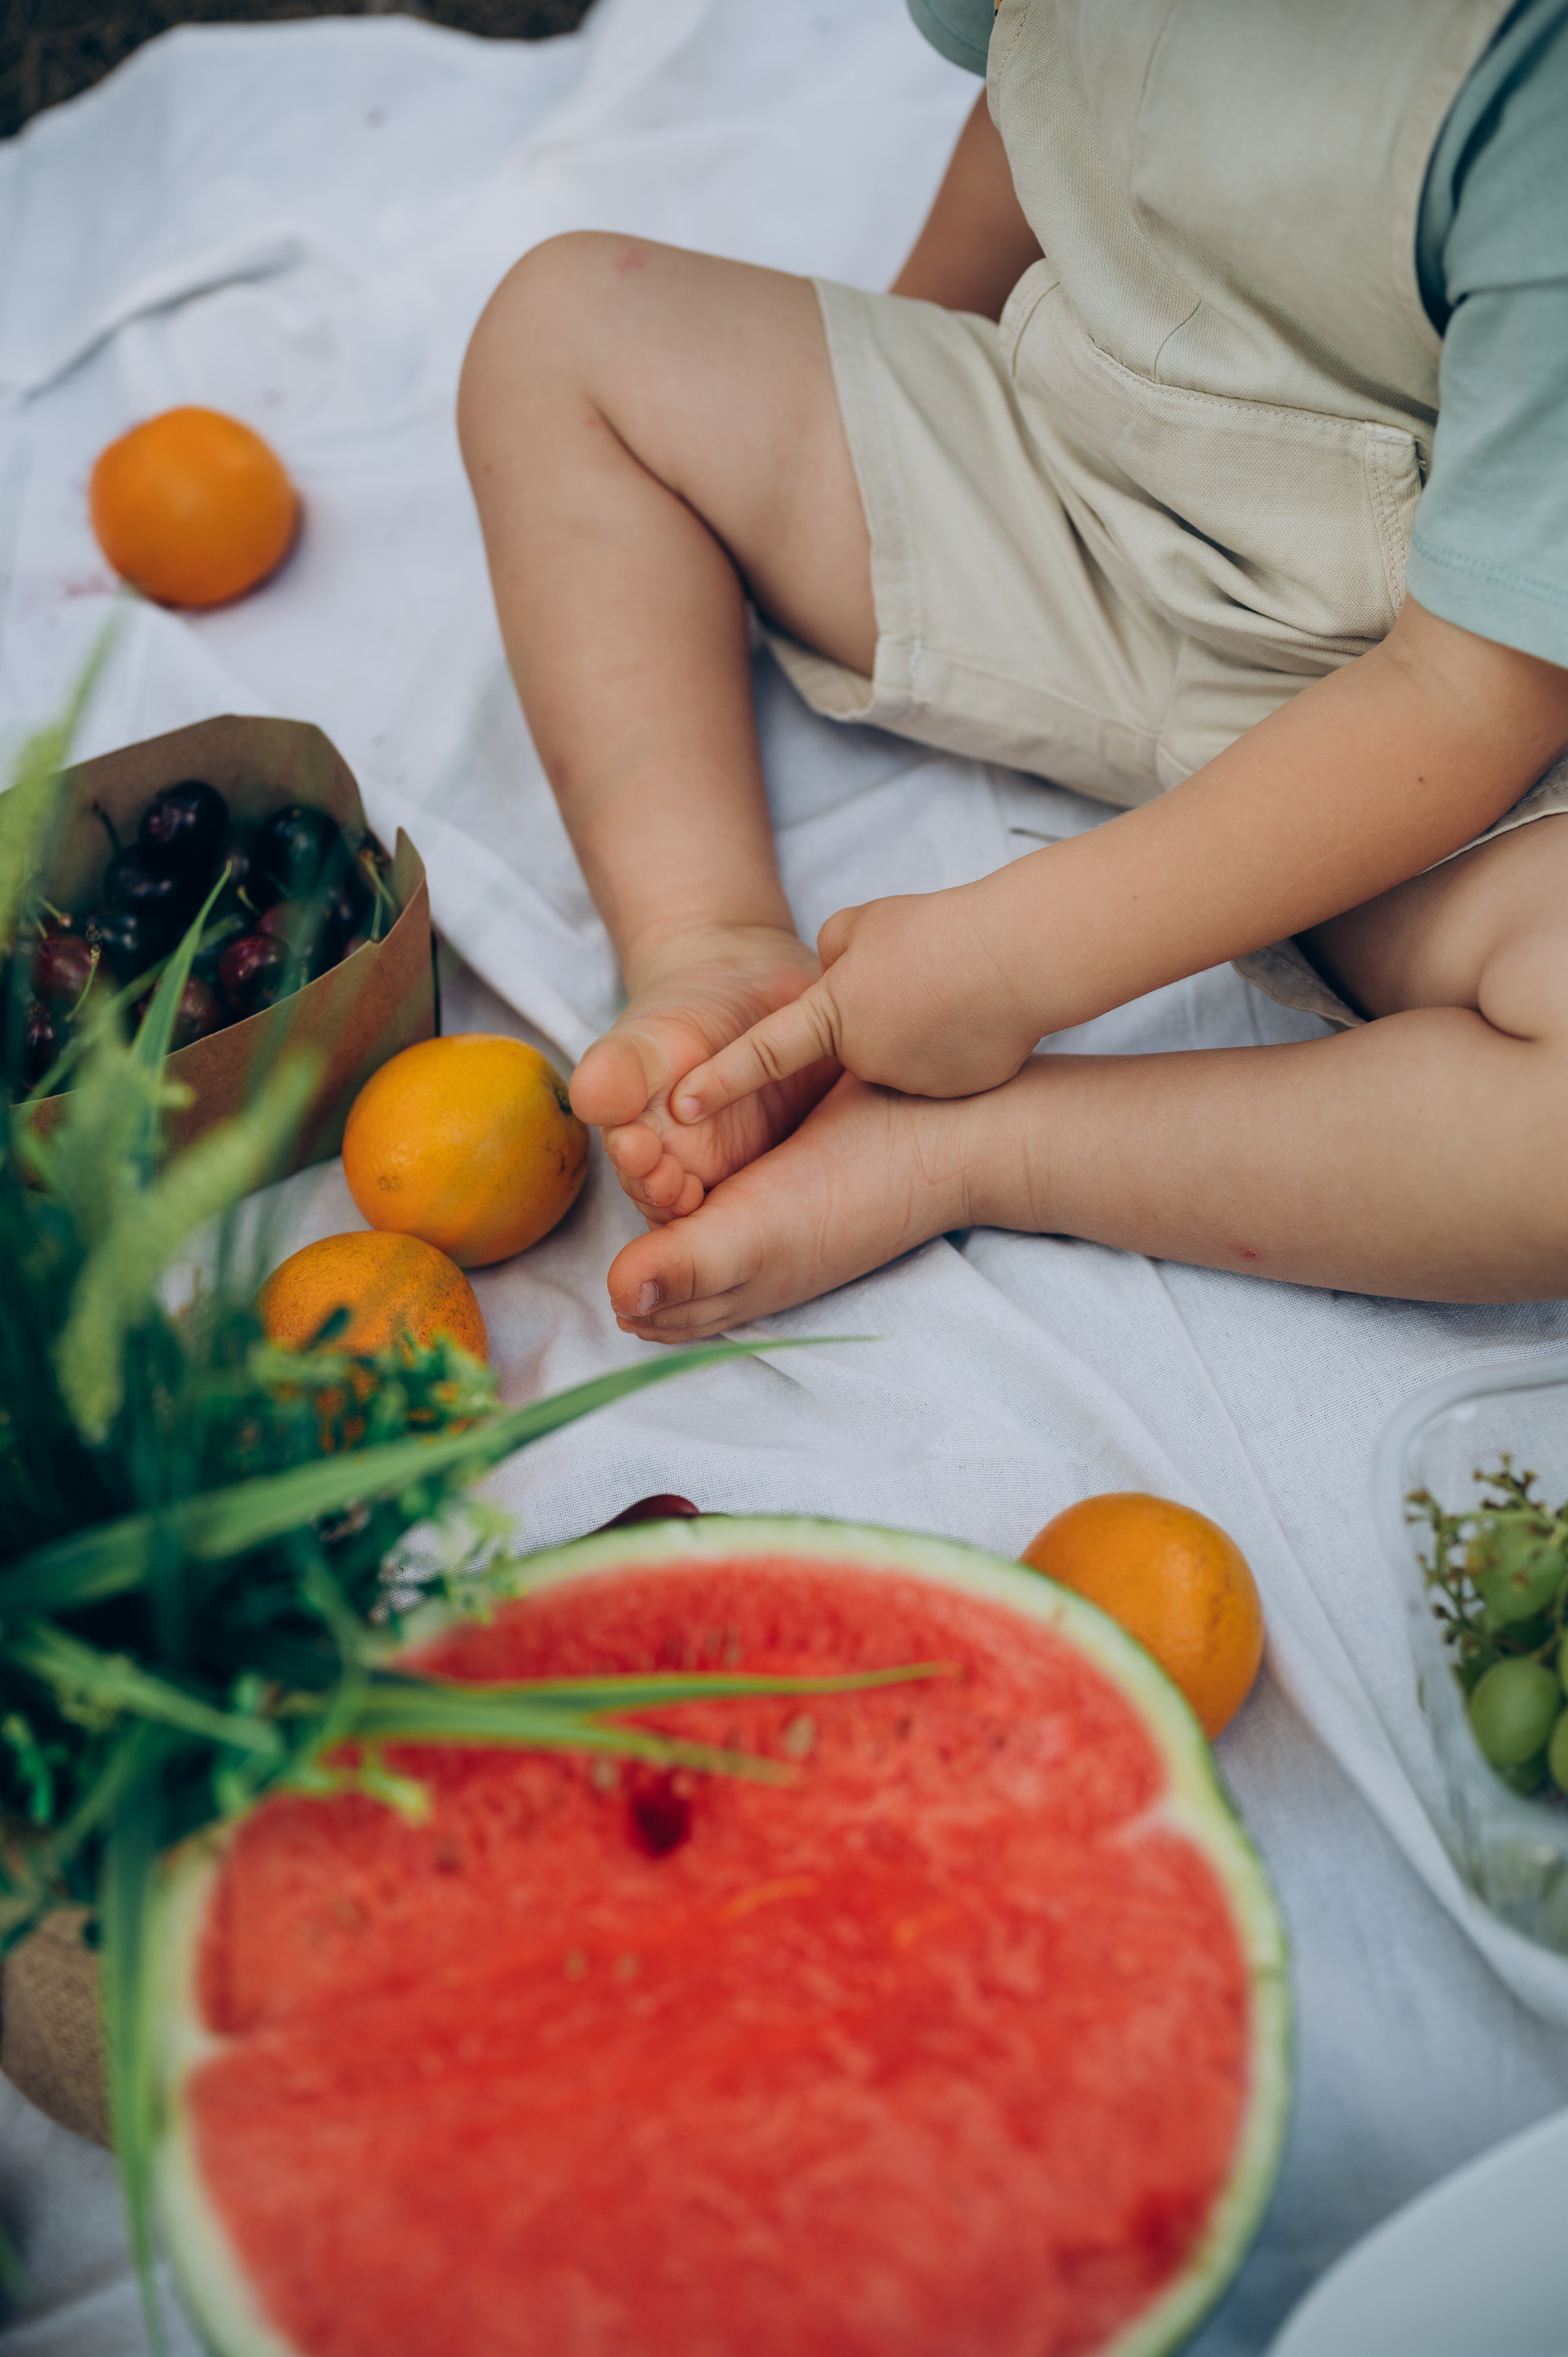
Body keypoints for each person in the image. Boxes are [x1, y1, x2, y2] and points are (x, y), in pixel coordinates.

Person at [457, 0, 1568, 1340]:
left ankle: (977, 1150)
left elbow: (1471, 695)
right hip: (1086, 486)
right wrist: (881, 413)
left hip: (1446, 701)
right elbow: (1033, 87)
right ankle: (710, 946)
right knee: (564, 328)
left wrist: (1010, 957)